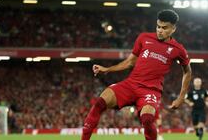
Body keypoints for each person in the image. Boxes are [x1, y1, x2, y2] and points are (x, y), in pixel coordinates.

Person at [81, 9, 192, 140]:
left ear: (173, 28)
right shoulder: (144, 37)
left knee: (147, 119)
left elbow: (187, 71)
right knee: (100, 102)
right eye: (158, 26)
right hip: (131, 84)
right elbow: (129, 62)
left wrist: (181, 97)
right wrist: (107, 69)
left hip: (150, 90)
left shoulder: (178, 49)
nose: (160, 30)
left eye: (164, 28)